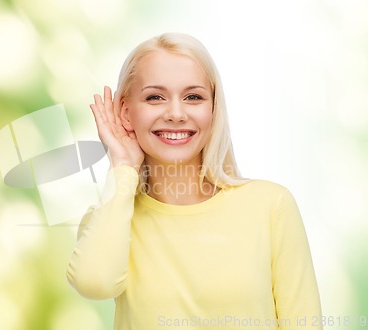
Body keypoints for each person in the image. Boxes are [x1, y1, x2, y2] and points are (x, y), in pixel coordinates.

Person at [66, 32, 322, 330]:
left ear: (213, 109)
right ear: (125, 111)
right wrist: (123, 167)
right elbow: (94, 284)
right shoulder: (111, 216)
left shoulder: (270, 205)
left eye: (193, 97)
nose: (176, 114)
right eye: (155, 97)